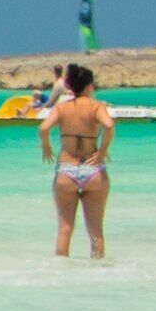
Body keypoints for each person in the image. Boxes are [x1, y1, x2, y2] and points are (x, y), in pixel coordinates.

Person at [41, 62, 119, 258]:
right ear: (89, 86)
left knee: (65, 228)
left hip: (66, 170)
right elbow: (109, 125)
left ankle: (61, 273)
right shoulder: (96, 107)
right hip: (93, 170)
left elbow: (43, 128)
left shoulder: (61, 108)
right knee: (95, 230)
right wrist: (102, 152)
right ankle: (97, 269)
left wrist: (46, 147)